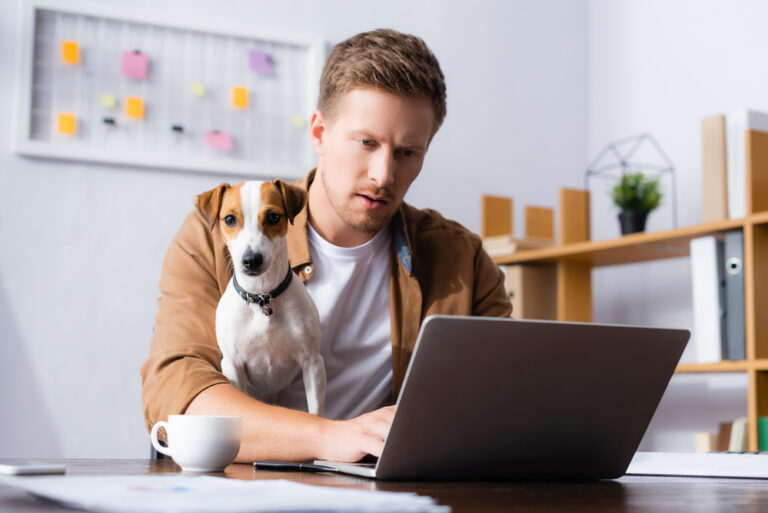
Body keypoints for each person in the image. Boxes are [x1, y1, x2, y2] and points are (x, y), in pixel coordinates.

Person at [140, 28, 511, 464]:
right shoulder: (216, 235)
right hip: (239, 488)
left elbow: (500, 396)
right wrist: (326, 438)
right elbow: (177, 391)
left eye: (408, 152)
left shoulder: (462, 261)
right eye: (366, 142)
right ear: (319, 133)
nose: (383, 174)